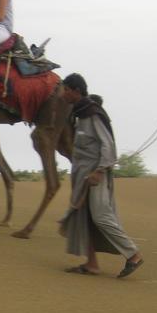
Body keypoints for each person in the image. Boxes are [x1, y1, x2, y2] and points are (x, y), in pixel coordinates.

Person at [58, 74, 143, 278]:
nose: (63, 94)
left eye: (66, 90)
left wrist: (98, 171)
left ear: (76, 91)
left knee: (101, 215)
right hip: (81, 176)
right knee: (83, 218)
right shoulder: (78, 114)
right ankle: (91, 264)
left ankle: (134, 255)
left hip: (95, 176)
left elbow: (108, 145)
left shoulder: (93, 114)